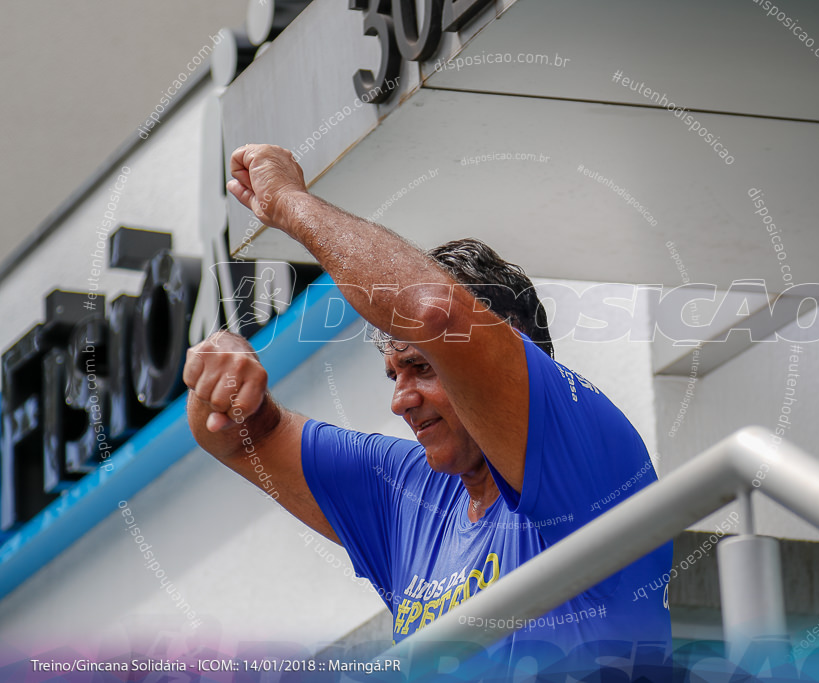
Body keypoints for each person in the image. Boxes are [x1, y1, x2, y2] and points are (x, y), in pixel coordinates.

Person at [183, 144, 672, 679]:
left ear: (508, 350)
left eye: (421, 367)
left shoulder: (578, 447)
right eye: (395, 374)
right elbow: (236, 436)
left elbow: (435, 313)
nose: (401, 400)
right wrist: (220, 381)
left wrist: (288, 202)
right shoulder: (409, 496)